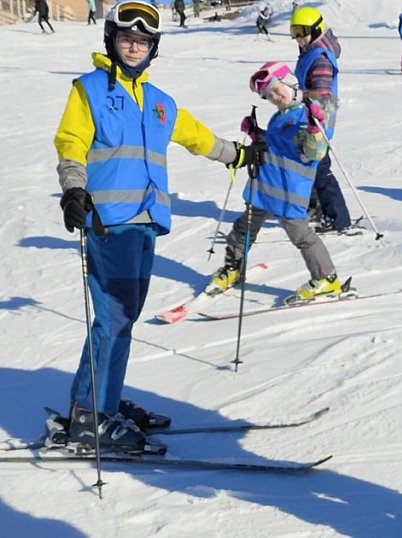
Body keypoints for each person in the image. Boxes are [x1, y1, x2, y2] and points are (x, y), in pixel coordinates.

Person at [53, 0, 259, 450]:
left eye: (142, 41)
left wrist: (238, 154)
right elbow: (71, 143)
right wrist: (73, 190)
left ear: (153, 48)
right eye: (127, 39)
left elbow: (196, 136)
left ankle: (101, 401)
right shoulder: (89, 90)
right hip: (109, 223)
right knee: (113, 318)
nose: (134, 47)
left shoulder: (160, 102)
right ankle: (91, 415)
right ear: (112, 40)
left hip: (147, 222)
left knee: (122, 317)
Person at [211, 62, 344, 304]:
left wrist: (315, 130)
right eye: (268, 96)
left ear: (290, 82)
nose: (274, 97)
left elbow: (314, 153)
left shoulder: (305, 115)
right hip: (265, 186)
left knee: (300, 234)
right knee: (243, 229)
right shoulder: (280, 116)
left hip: (289, 190)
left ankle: (327, 277)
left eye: (276, 89)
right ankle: (233, 268)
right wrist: (256, 133)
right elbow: (278, 144)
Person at [289, 6, 352, 234]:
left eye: (302, 31)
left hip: (318, 121)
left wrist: (297, 96)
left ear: (316, 30)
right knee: (307, 165)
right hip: (308, 117)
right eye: (294, 32)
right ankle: (315, 208)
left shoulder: (320, 59)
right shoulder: (311, 52)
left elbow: (321, 95)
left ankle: (338, 218)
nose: (298, 37)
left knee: (320, 168)